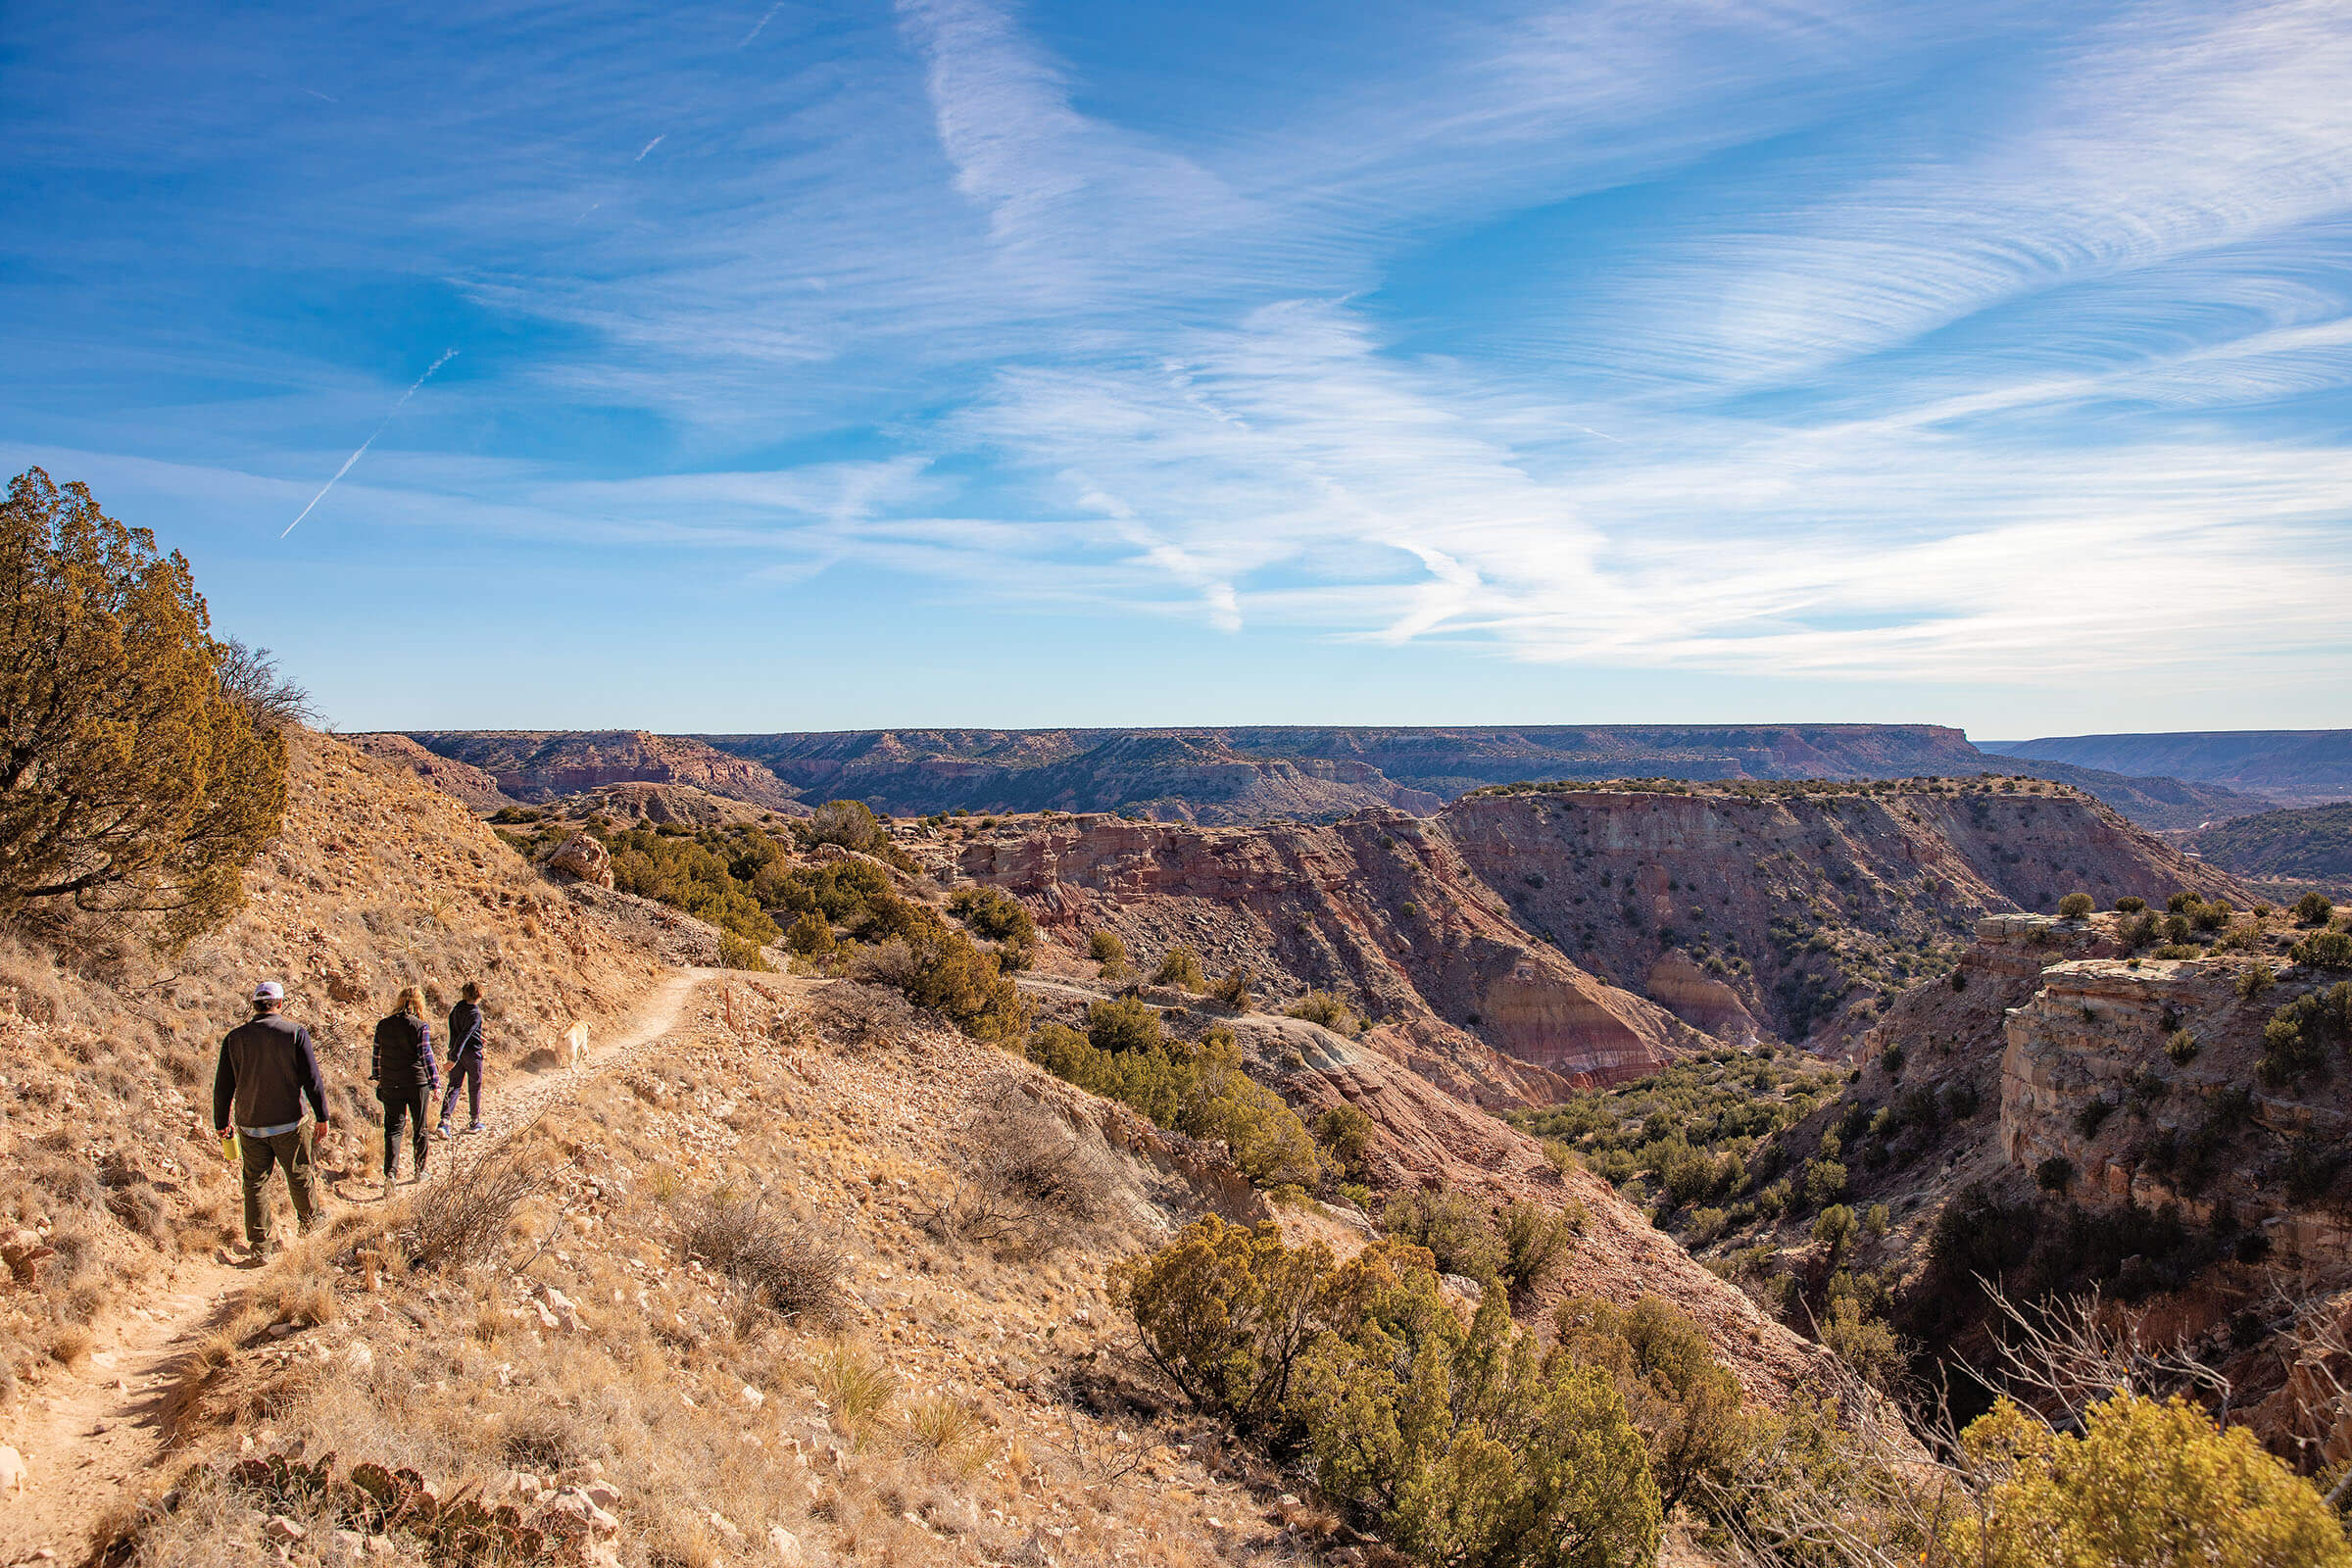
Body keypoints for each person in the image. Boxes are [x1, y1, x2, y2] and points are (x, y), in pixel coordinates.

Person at [213, 980, 332, 1259]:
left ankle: (260, 1247)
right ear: (279, 1004)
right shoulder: (294, 1033)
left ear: (254, 1005)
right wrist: (322, 1115)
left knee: (254, 1183)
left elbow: (223, 1085)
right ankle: (310, 1222)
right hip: (290, 1121)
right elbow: (312, 1080)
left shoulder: (234, 1038)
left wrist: (221, 1122)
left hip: (249, 1124)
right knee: (299, 1173)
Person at [371, 986, 440, 1192]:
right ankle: (420, 1170)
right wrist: (435, 1082)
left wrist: (378, 1077)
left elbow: (377, 1054)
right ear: (419, 1003)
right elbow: (426, 1056)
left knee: (393, 1128)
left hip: (391, 1081)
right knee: (420, 1127)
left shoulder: (383, 1025)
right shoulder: (420, 1026)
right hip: (416, 1082)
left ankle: (390, 1174)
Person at [438, 980, 488, 1139]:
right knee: (474, 1086)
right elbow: (465, 1035)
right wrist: (454, 1058)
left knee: (454, 1086)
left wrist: (453, 1054)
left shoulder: (456, 1010)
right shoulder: (475, 1013)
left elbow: (458, 1033)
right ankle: (474, 1121)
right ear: (479, 994)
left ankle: (444, 1122)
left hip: (455, 1052)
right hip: (471, 1055)